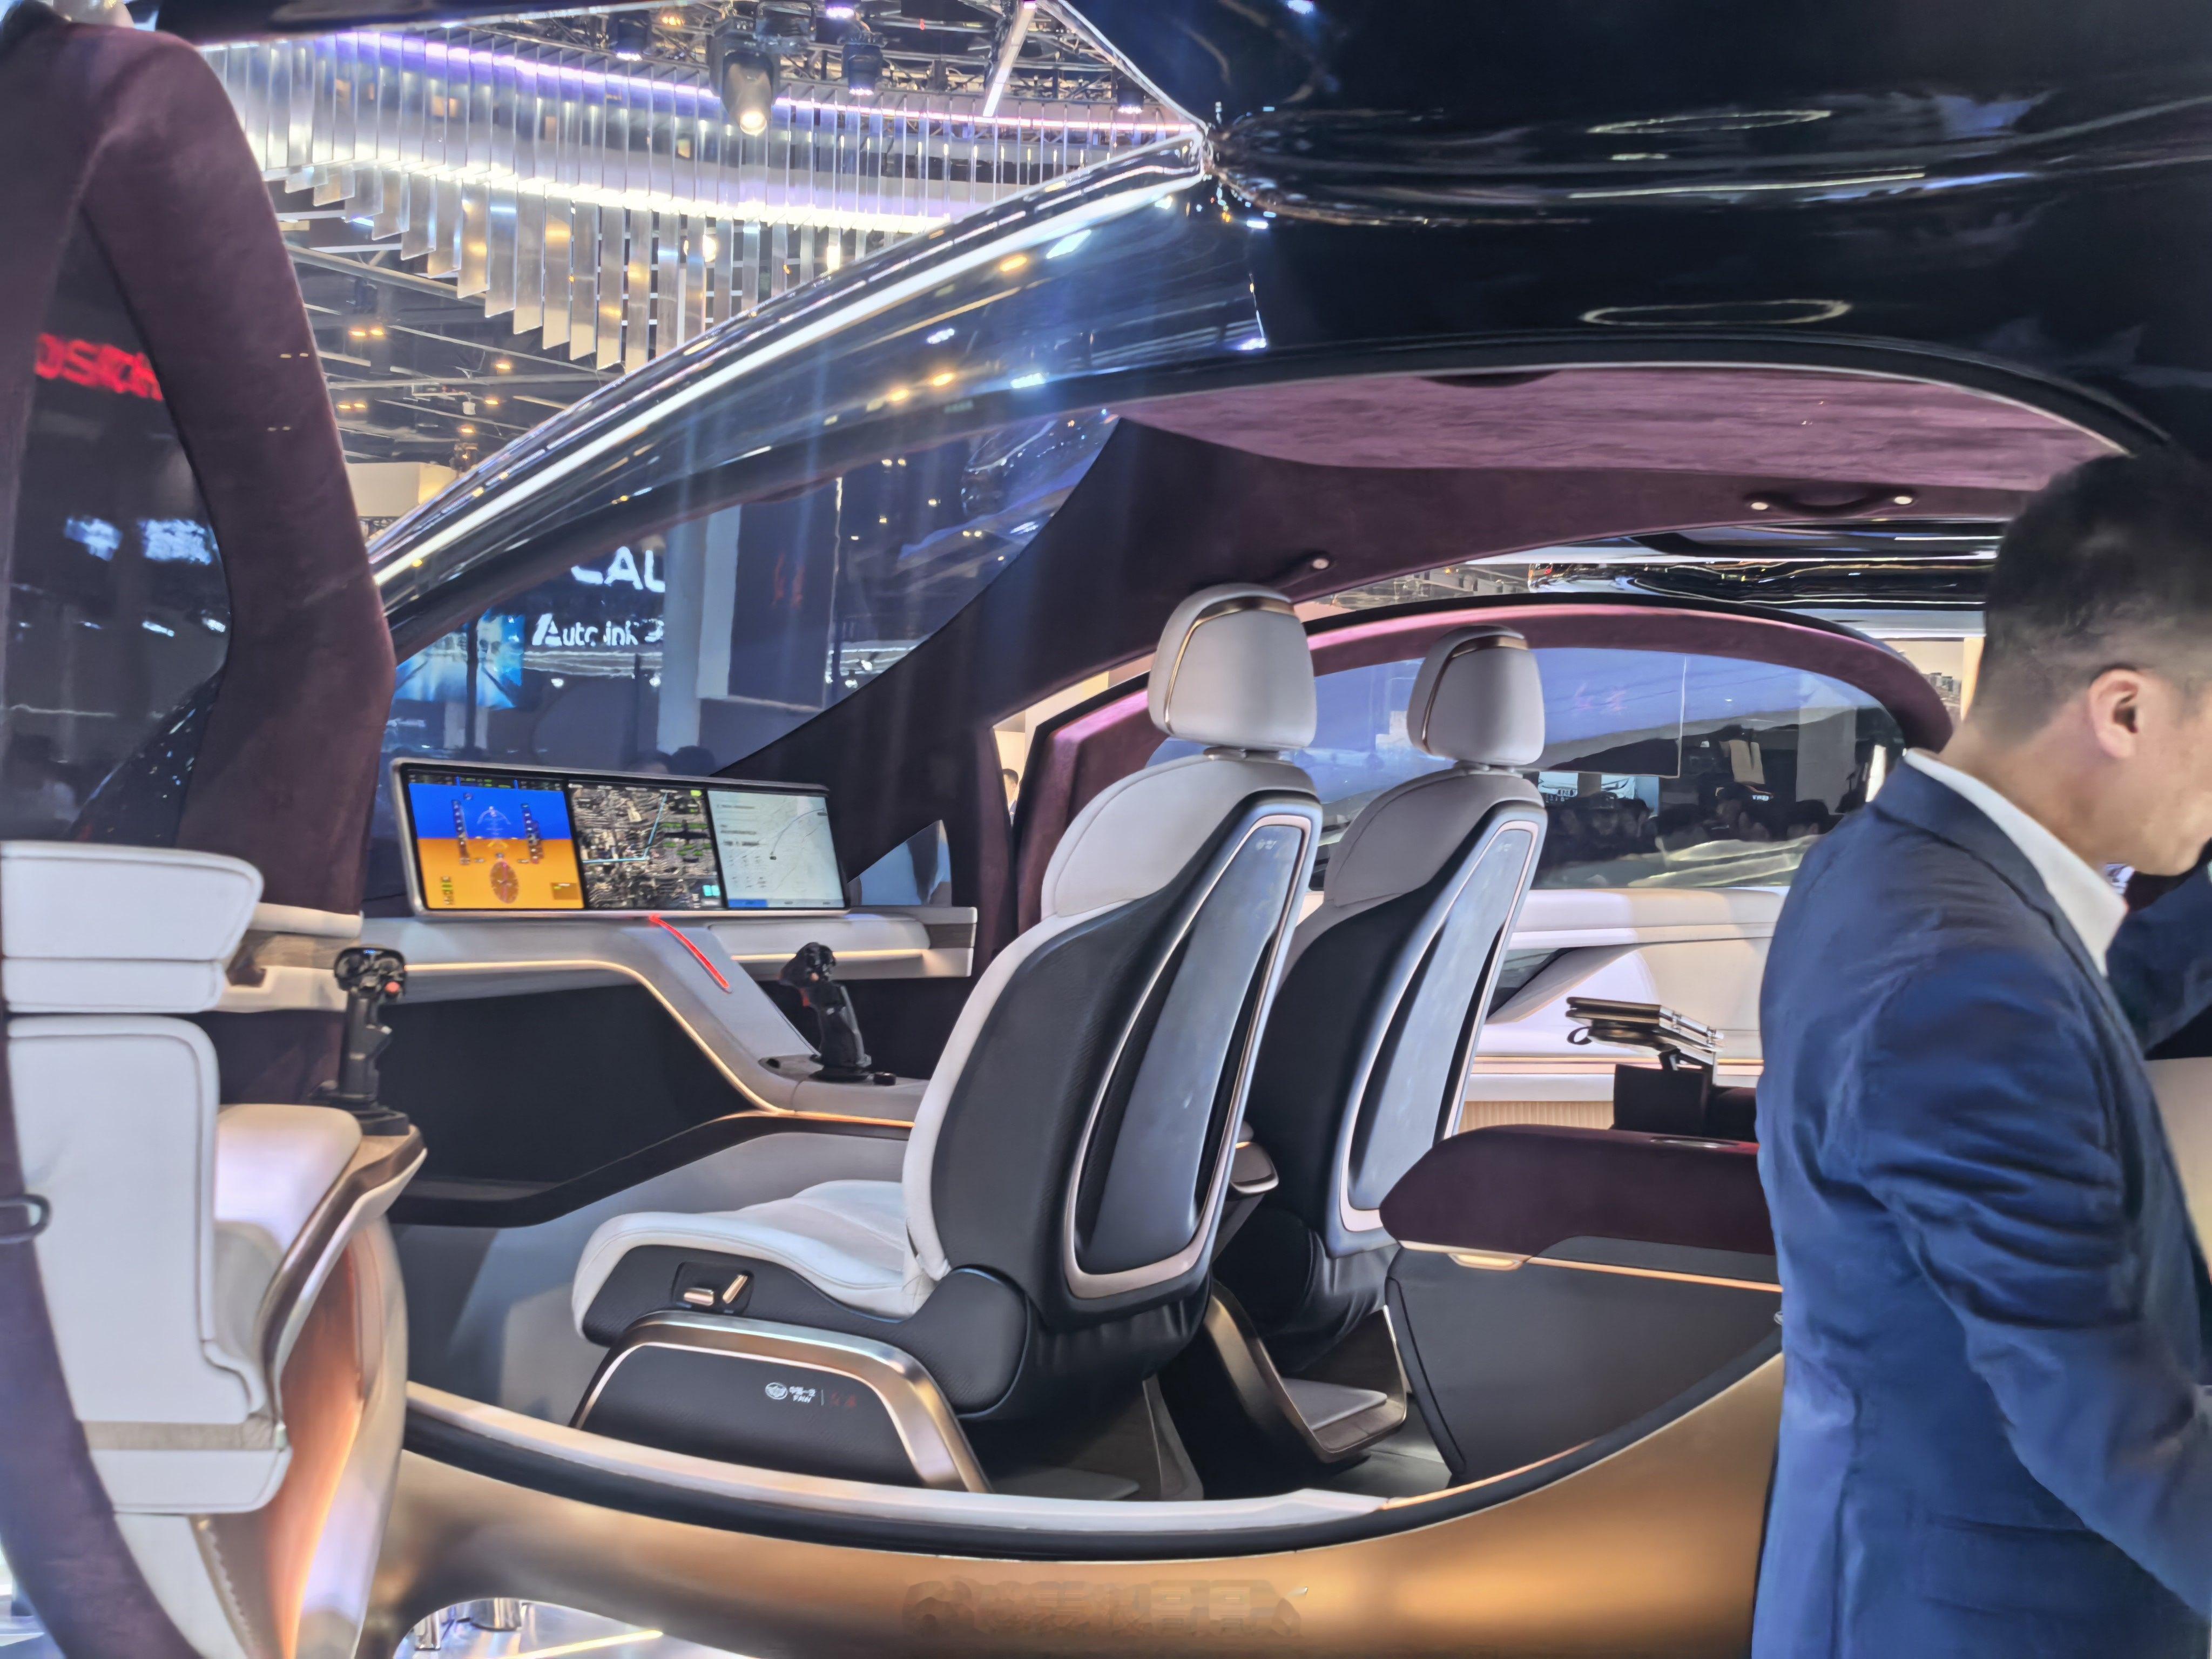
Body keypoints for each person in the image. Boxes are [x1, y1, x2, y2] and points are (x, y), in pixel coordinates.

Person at [1754, 453, 2212, 1656]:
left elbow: (2082, 1015)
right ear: (2124, 712)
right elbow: (2112, 1435)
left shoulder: (1893, 866)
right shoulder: (1963, 979)